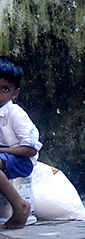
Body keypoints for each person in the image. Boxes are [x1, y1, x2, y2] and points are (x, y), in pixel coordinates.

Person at [0, 57, 40, 229]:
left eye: (5, 89)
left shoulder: (15, 114)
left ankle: (20, 206)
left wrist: (1, 150)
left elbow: (30, 149)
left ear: (14, 93)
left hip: (21, 161)